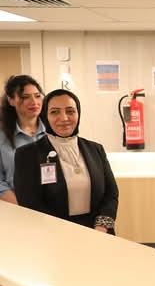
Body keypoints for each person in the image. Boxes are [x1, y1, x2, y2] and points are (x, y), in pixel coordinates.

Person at [14, 89, 118, 233]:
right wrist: (64, 232)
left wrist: (101, 227)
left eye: (70, 111)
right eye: (55, 112)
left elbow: (111, 193)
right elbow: (30, 204)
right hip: (52, 235)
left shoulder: (95, 149)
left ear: (78, 113)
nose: (64, 118)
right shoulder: (27, 154)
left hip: (98, 233)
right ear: (45, 116)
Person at [0, 75, 46, 204]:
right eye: (25, 97)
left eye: (37, 96)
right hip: (17, 206)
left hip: (54, 207)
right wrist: (22, 208)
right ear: (11, 101)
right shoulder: (2, 136)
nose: (34, 102)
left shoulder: (53, 131)